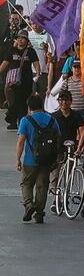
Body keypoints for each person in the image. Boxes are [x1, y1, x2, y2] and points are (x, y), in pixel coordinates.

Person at [16, 95, 59, 223]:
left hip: (30, 160)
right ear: (42, 106)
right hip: (47, 160)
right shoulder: (52, 120)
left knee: (26, 184)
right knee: (42, 186)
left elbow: (20, 142)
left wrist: (18, 159)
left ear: (29, 107)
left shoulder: (26, 120)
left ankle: (29, 205)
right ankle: (39, 213)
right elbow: (57, 138)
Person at [1, 30, 40, 129]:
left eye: (22, 38)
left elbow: (36, 63)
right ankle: (13, 122)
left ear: (27, 40)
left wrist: (38, 74)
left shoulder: (30, 51)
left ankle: (21, 121)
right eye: (18, 38)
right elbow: (5, 63)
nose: (20, 40)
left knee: (23, 102)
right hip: (13, 81)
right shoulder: (12, 50)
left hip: (26, 81)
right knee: (14, 101)